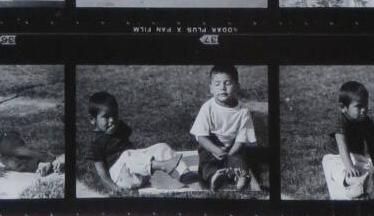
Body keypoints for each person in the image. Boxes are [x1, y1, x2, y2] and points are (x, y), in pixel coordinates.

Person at [87, 90, 181, 195]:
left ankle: (182, 174)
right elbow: (102, 172)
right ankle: (162, 166)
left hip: (136, 172)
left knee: (161, 147)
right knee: (127, 154)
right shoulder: (96, 142)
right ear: (92, 120)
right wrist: (115, 188)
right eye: (106, 116)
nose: (112, 120)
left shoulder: (119, 127)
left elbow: (130, 146)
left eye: (115, 114)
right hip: (121, 178)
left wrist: (142, 156)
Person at [191, 64, 262, 193]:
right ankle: (214, 177)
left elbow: (241, 139)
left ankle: (241, 179)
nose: (222, 87)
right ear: (211, 88)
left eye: (227, 83)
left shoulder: (243, 111)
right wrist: (216, 150)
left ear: (237, 86)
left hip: (233, 147)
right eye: (217, 84)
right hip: (211, 146)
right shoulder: (208, 107)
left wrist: (229, 155)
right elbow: (201, 136)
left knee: (239, 160)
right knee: (206, 163)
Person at [331, 80, 374, 197]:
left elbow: (371, 145)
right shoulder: (341, 121)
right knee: (338, 171)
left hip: (355, 156)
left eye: (365, 105)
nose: (364, 109)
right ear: (343, 107)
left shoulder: (366, 122)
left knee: (368, 168)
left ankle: (359, 186)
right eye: (359, 106)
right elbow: (342, 146)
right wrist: (349, 166)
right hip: (336, 156)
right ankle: (351, 183)